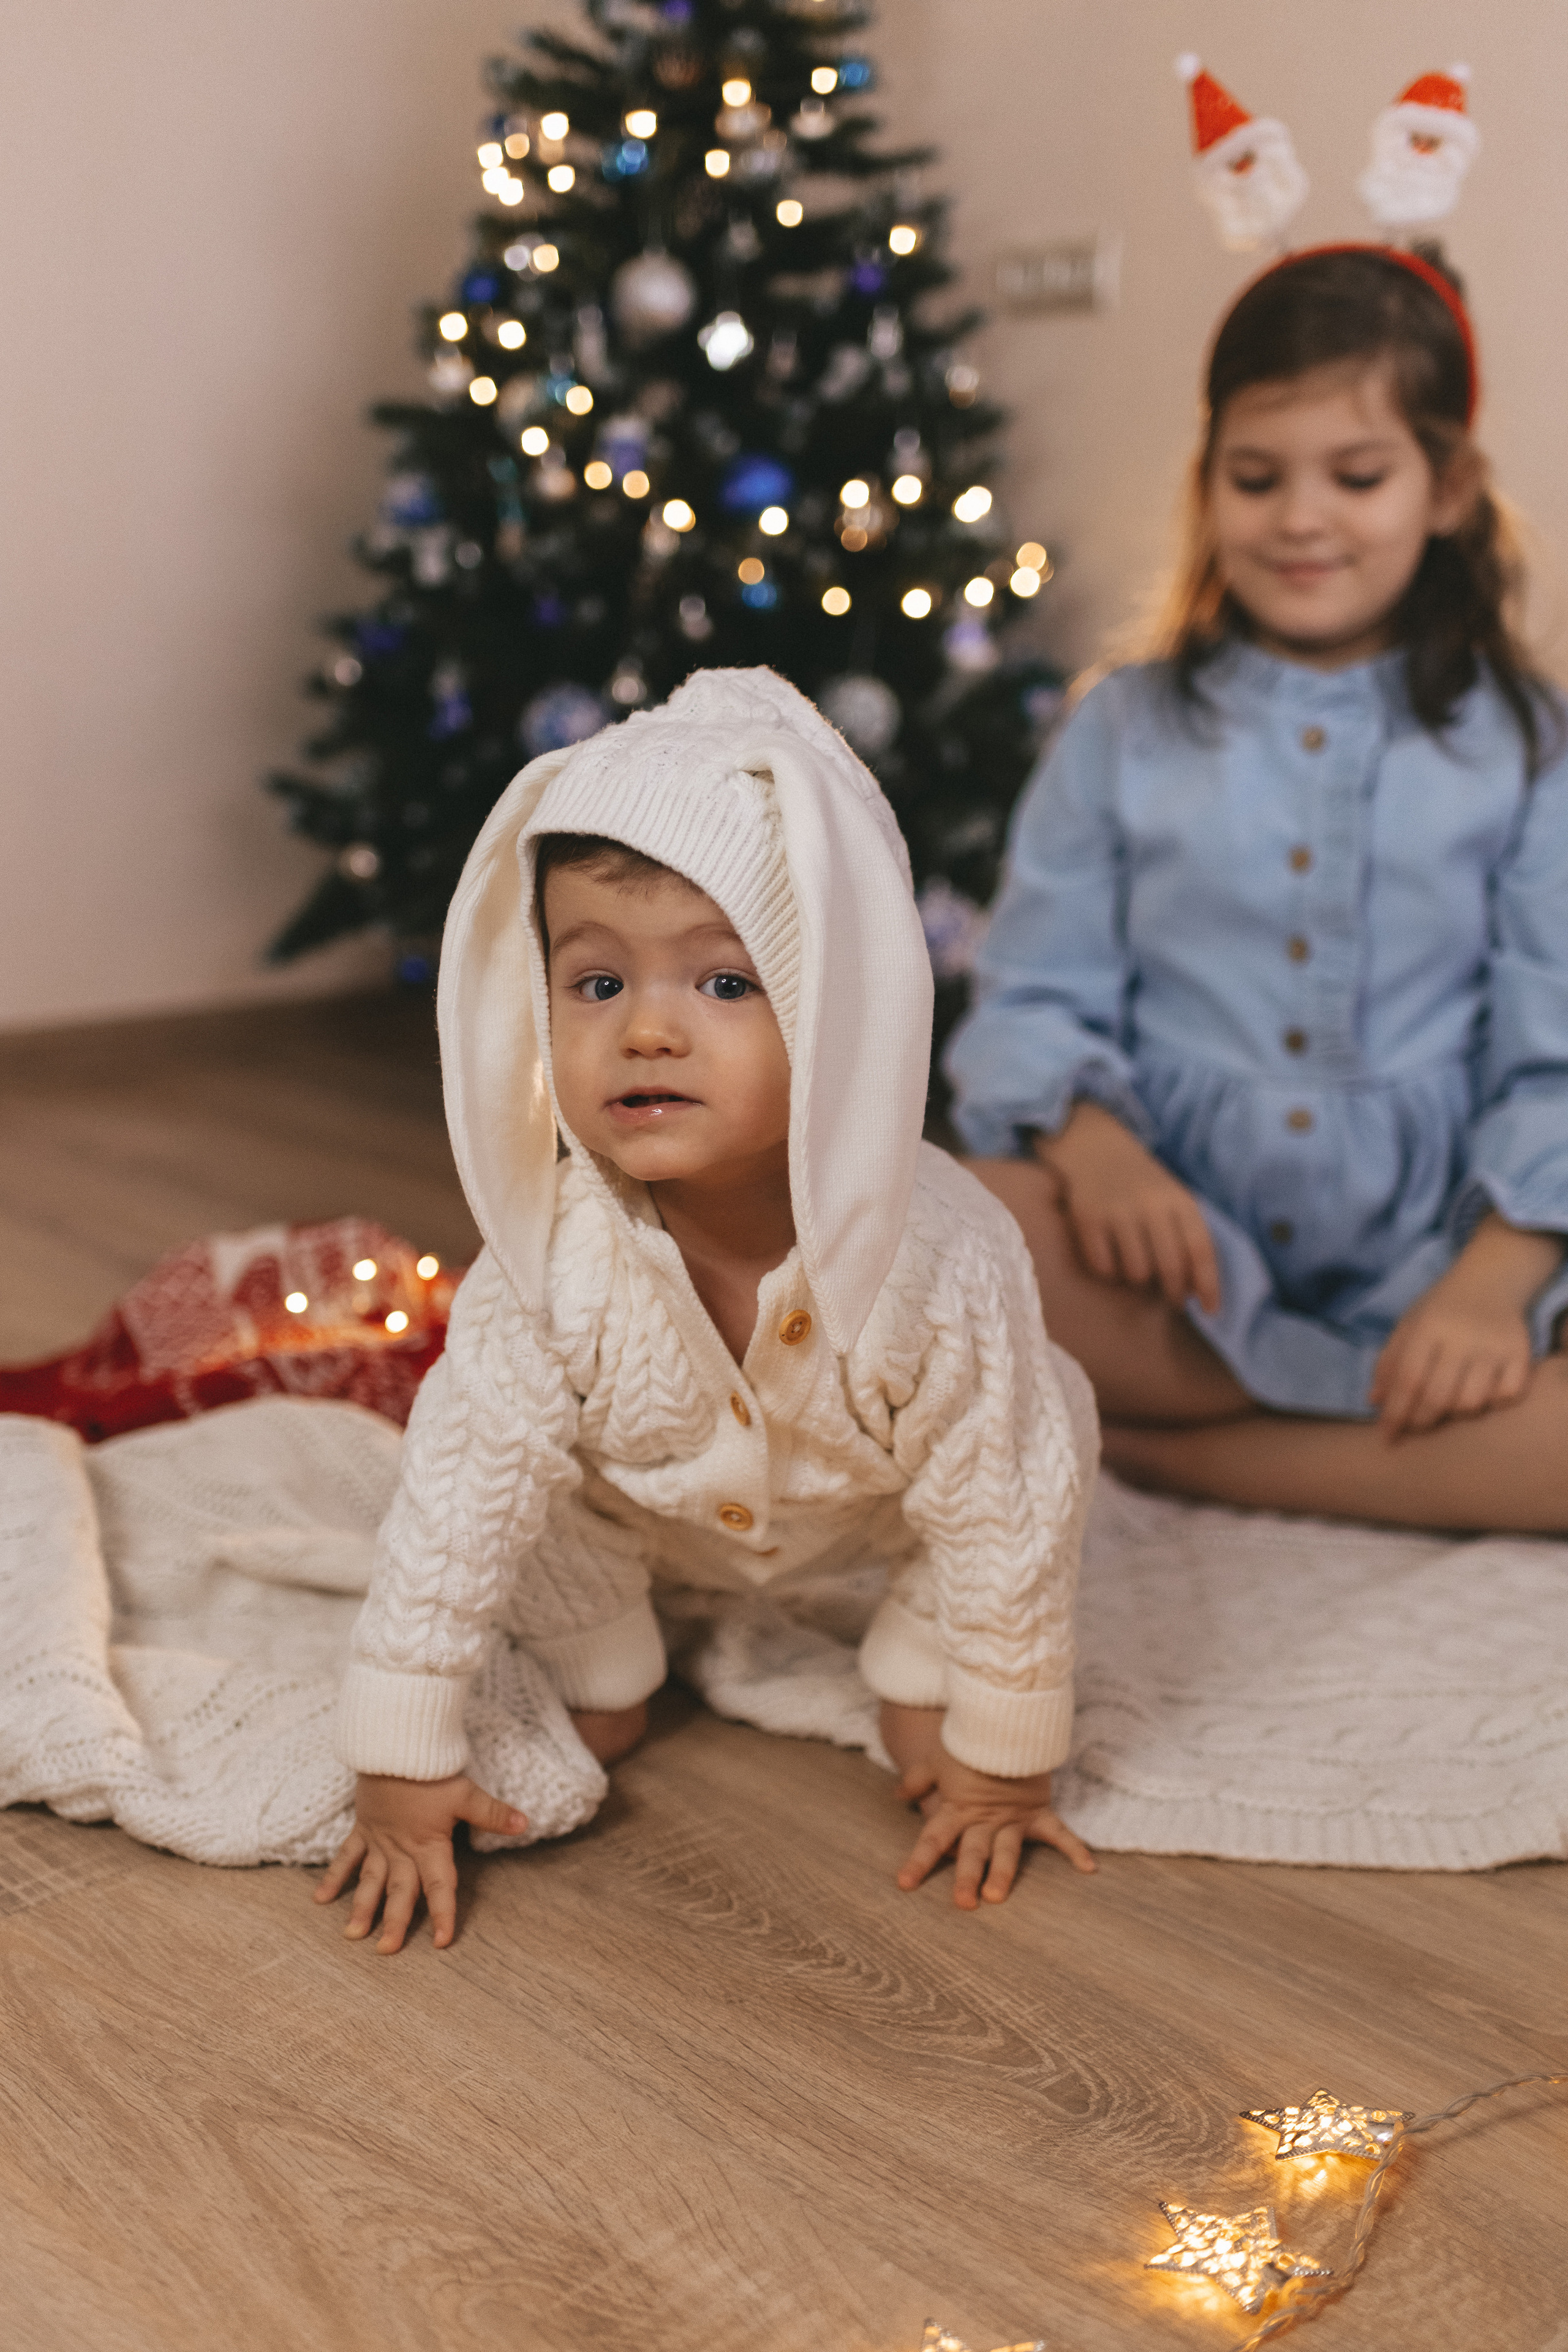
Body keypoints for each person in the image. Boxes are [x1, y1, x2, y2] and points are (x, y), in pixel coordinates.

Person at [317, 668, 1098, 1953]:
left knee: (937, 1709)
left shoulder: (942, 1259)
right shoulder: (551, 1256)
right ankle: (618, 1644)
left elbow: (1000, 1505)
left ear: (838, 1015)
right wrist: (400, 1747)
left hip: (875, 1517)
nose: (648, 1034)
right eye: (596, 984)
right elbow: (460, 1496)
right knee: (596, 1695)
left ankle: (912, 1653)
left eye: (724, 986)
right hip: (632, 1525)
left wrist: (1005, 1758)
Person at [947, 245, 1568, 1534]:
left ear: (1444, 487)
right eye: (1254, 477)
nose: (1299, 519)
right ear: (1207, 482)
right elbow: (1025, 995)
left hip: (1435, 1252)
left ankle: (1181, 1459)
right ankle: (1379, 1454)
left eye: (1355, 477)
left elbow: (1553, 1048)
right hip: (1172, 1266)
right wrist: (1095, 1149)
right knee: (955, 1225)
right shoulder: (1119, 727)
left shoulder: (1526, 745)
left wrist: (1489, 1286)